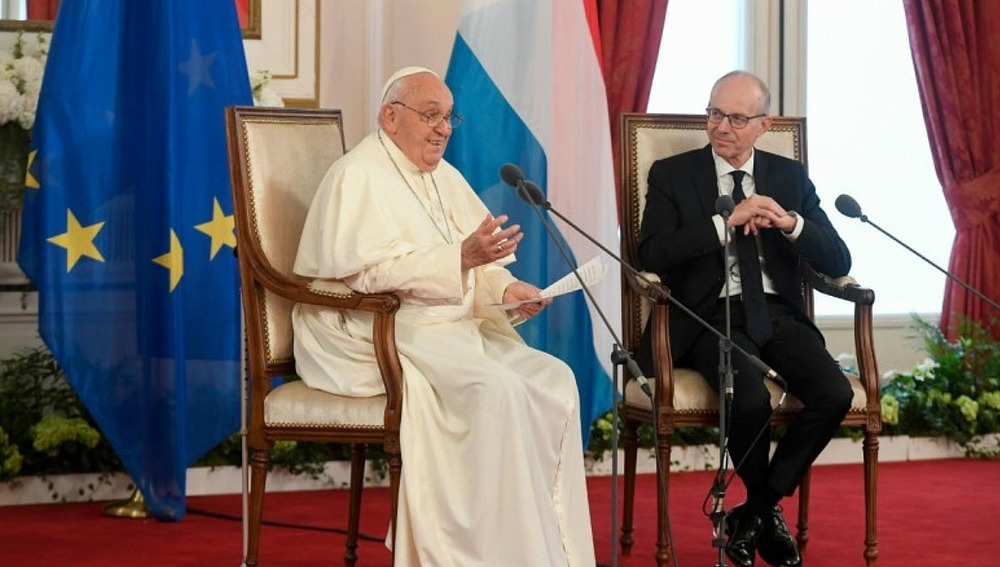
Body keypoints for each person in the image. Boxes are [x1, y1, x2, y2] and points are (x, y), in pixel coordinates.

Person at [291, 66, 596, 567]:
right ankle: (472, 553)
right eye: (430, 115)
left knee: (553, 379)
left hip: (445, 327)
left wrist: (507, 288)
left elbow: (478, 268)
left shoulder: (444, 176)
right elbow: (363, 275)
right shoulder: (357, 175)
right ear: (391, 117)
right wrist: (459, 259)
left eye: (449, 117)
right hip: (375, 327)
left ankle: (540, 551)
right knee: (493, 390)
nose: (442, 129)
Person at [636, 70, 853, 567]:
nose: (721, 126)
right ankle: (765, 517)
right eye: (714, 113)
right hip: (707, 314)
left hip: (775, 312)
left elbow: (837, 261)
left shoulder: (789, 178)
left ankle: (754, 510)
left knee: (834, 393)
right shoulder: (672, 175)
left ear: (763, 125)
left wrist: (791, 223)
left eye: (736, 117)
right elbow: (651, 251)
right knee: (748, 398)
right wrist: (721, 224)